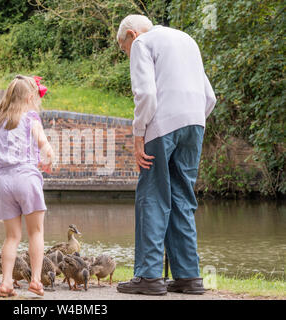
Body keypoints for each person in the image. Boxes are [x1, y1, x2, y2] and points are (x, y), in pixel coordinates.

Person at [115, 15, 216, 295]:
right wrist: (191, 122)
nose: (128, 54)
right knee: (183, 198)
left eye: (125, 50)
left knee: (152, 195)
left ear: (132, 35)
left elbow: (146, 93)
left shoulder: (142, 43)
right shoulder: (187, 40)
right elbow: (210, 96)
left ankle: (148, 276)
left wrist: (138, 136)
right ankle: (188, 277)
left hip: (162, 126)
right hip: (195, 124)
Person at [0, 74, 53, 297]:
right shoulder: (30, 119)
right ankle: (36, 281)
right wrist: (49, 160)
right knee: (36, 232)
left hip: (3, 182)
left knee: (12, 237)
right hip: (27, 178)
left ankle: (6, 283)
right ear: (29, 97)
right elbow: (45, 147)